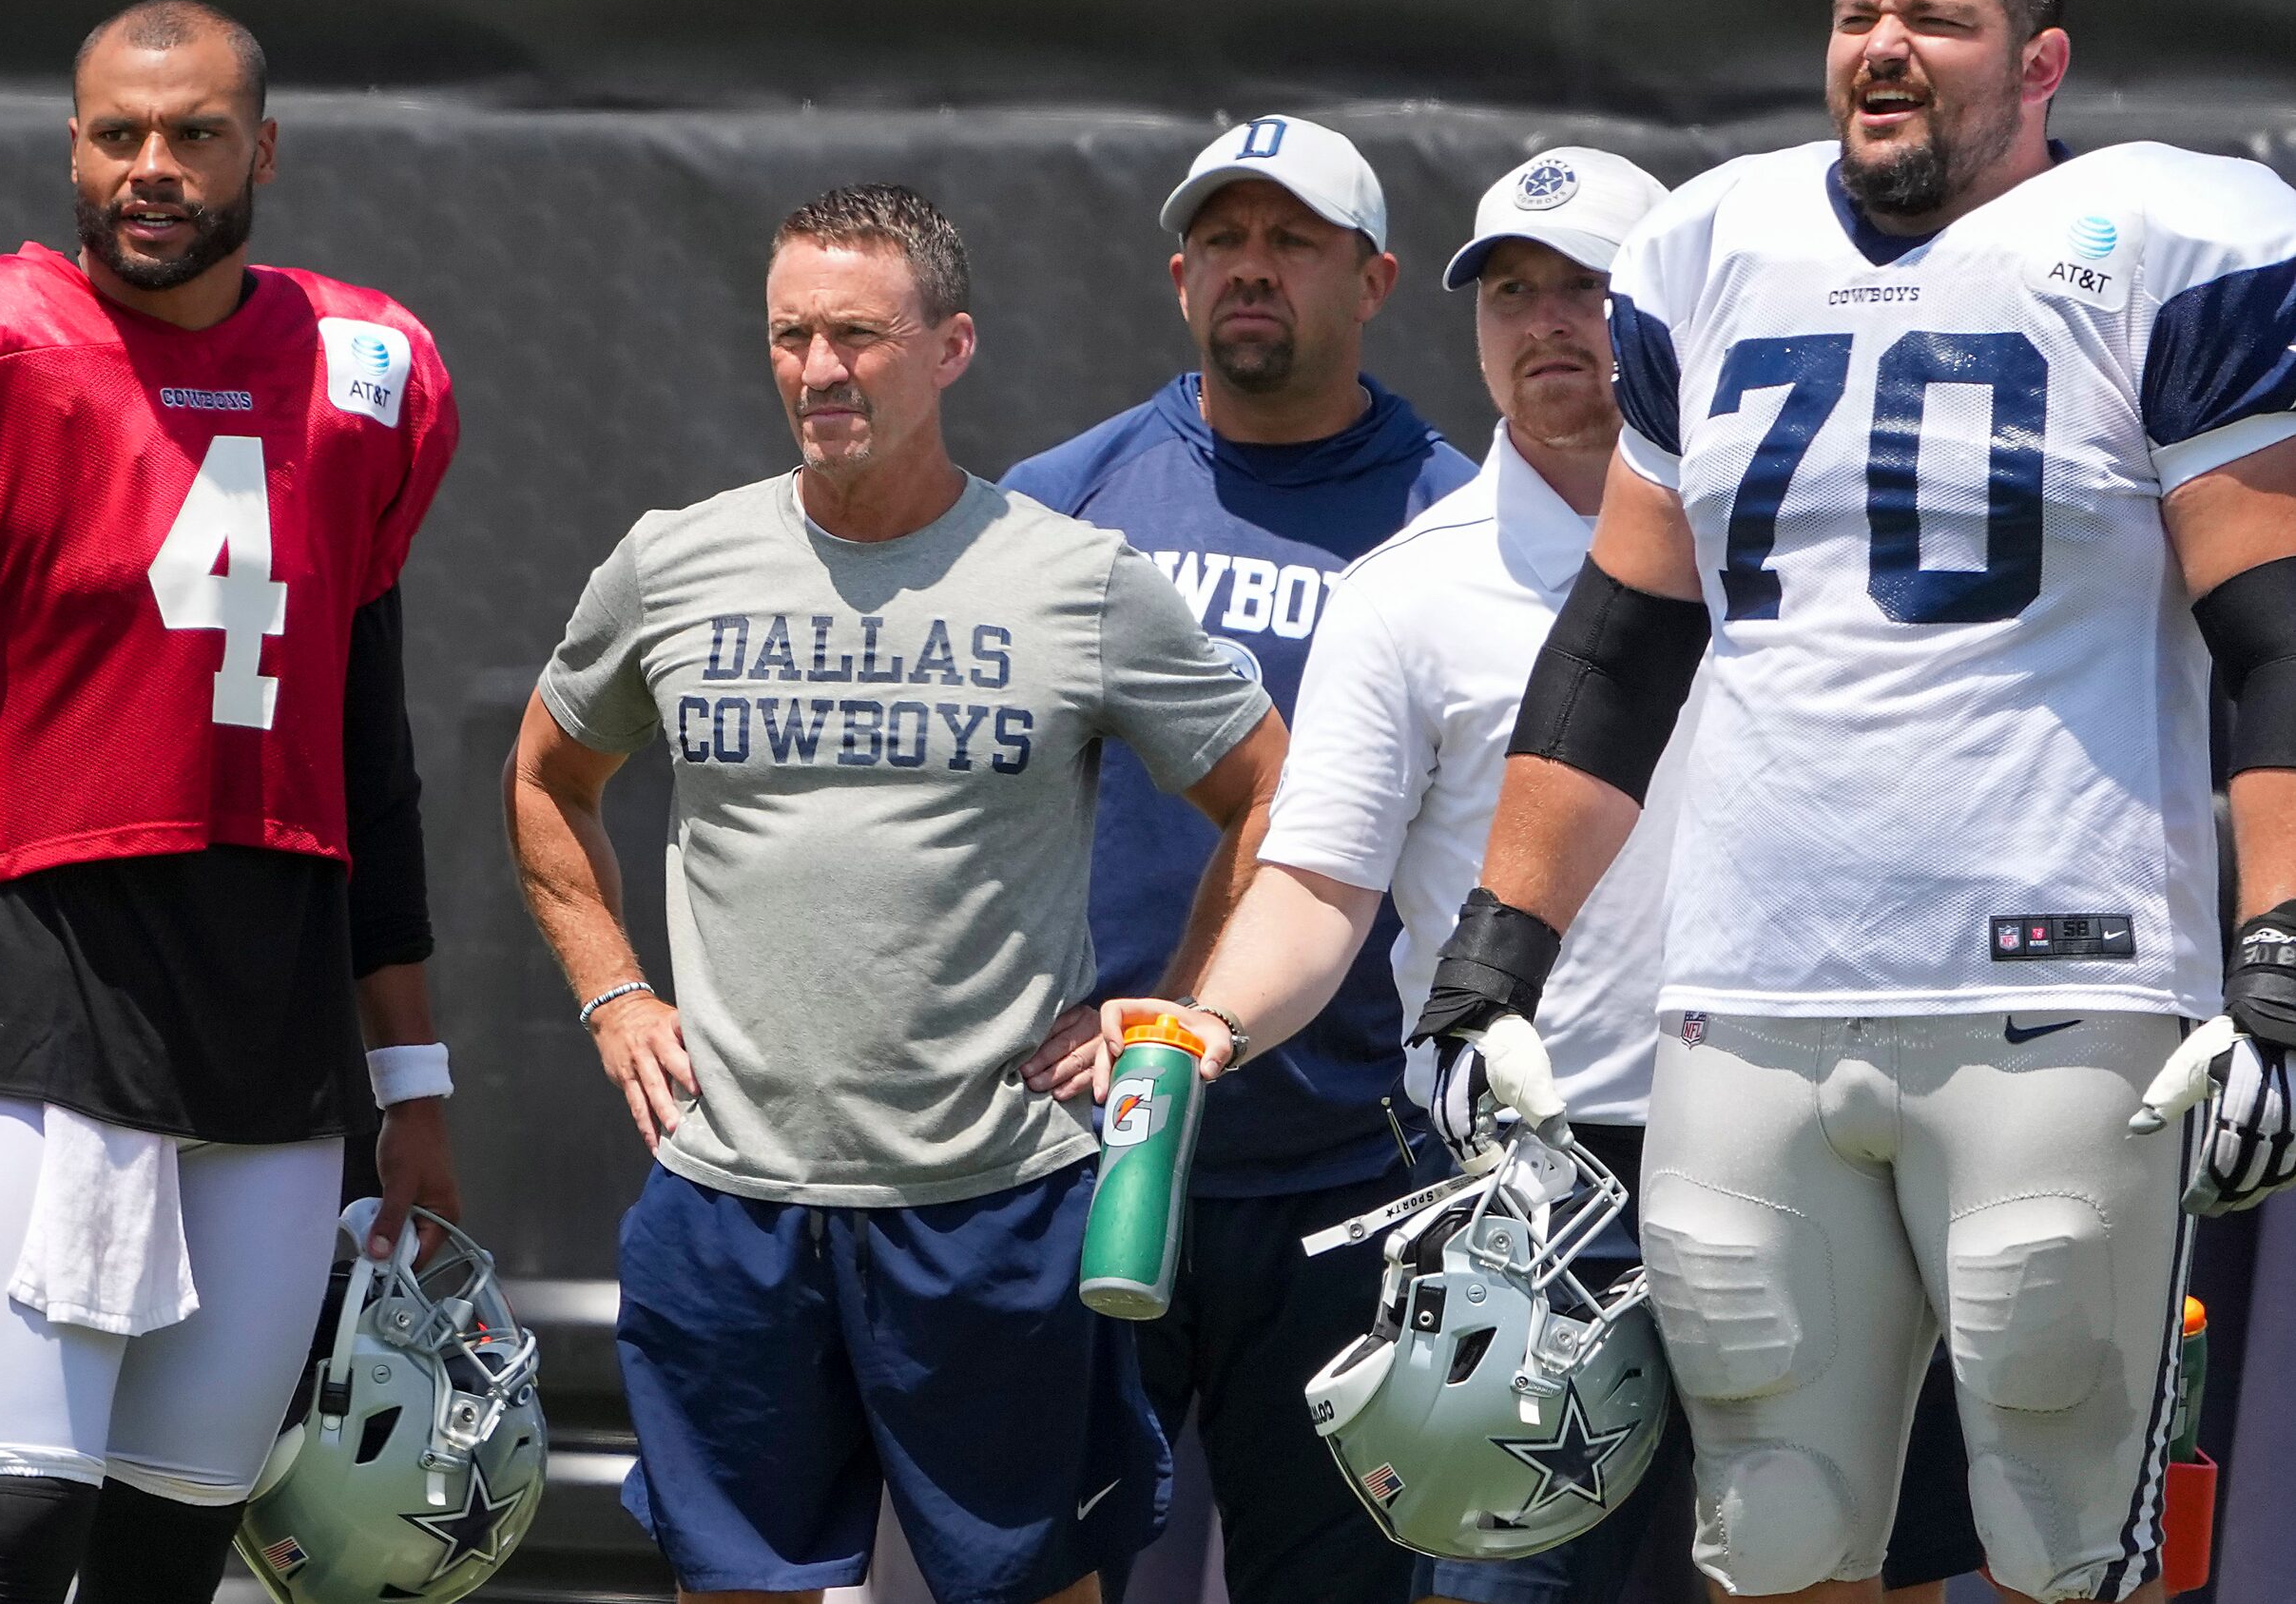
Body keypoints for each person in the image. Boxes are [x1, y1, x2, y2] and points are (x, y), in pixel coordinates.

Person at [1227, 0, 2296, 1604]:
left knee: (2054, 1505)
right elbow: (1623, 645)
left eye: (1935, 22)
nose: (1882, 46)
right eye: (1860, 15)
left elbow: (2274, 634)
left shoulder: (2165, 239)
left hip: (2059, 977)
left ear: (2041, 65)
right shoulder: (1719, 249)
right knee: (1776, 1522)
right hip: (1745, 991)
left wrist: (2280, 957)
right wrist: (1496, 958)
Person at [1103, 146, 1990, 1604]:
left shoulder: (1818, 543)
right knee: (1502, 1588)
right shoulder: (1406, 587)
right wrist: (1209, 1023)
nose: (1548, 321)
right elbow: (1319, 883)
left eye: (1589, 286)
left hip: (1807, 1143)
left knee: (1825, 1574)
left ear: (1669, 313)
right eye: (1513, 291)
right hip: (1524, 1183)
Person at [0, 0, 462, 1604]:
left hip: (277, 1045)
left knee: (167, 1561)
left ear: (261, 151)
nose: (151, 168)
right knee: (12, 1534)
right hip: (41, 1010)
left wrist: (413, 1080)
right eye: (117, 133)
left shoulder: (361, 377)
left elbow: (371, 762)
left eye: (193, 134)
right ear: (70, 141)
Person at [507, 184, 1286, 1604]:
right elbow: (548, 777)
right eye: (791, 335)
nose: (819, 371)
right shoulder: (674, 562)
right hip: (731, 1198)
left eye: (859, 337)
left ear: (953, 347)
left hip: (996, 1203)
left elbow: (1269, 796)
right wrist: (614, 990)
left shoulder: (1078, 580)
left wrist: (1170, 1013)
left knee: (1039, 1586)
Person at [1001, 114, 1474, 1604]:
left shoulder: (1454, 518)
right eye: (1223, 240)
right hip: (1086, 1157)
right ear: (1178, 272)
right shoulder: (1061, 501)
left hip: (1349, 1167)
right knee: (1043, 1569)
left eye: (1292, 241)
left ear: (1376, 276)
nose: (1250, 270)